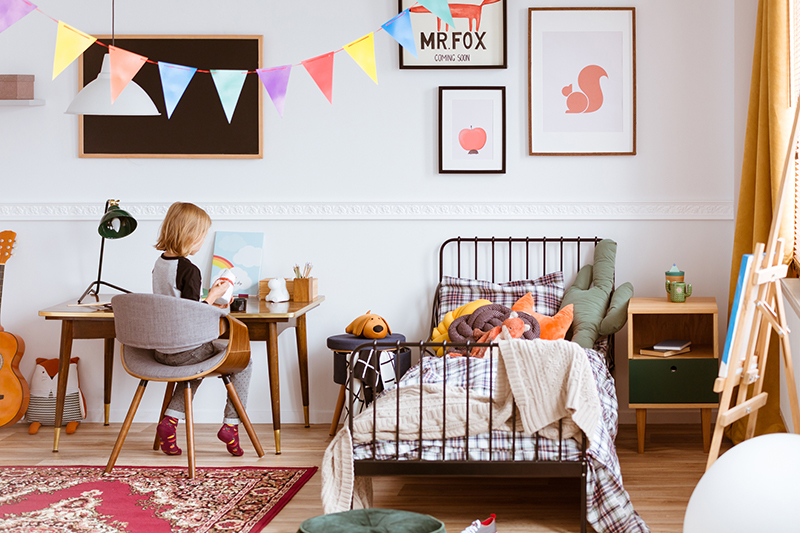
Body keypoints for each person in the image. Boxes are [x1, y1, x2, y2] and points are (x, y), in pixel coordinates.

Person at [151, 201, 252, 456]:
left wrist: (207, 296)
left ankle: (170, 421)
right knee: (243, 359)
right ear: (189, 235)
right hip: (184, 349)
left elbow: (177, 303)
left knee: (197, 363)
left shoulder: (160, 264)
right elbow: (191, 314)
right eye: (202, 236)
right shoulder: (189, 270)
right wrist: (214, 297)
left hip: (161, 350)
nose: (202, 242)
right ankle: (231, 425)